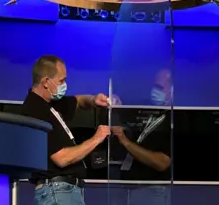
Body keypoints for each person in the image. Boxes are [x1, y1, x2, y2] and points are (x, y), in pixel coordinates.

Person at [21, 55, 110, 205]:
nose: (64, 84)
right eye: (61, 81)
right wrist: (97, 138)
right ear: (45, 82)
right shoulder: (35, 110)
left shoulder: (50, 103)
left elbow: (79, 101)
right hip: (57, 192)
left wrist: (94, 100)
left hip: (65, 192)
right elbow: (62, 158)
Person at [111, 68, 173, 205]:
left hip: (152, 191)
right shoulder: (147, 110)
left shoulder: (175, 119)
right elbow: (124, 113)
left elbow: (162, 163)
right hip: (130, 188)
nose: (154, 90)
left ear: (172, 90)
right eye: (153, 85)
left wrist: (126, 142)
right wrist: (116, 102)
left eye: (159, 87)